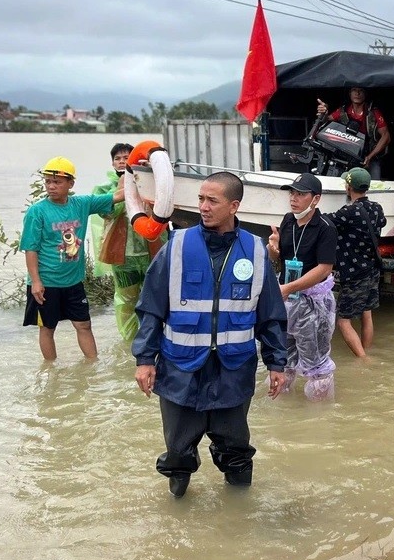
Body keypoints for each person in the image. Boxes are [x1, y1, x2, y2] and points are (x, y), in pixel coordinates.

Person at [132, 172, 287, 498]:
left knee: (236, 450)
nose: (203, 206)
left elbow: (270, 315)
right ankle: (179, 507)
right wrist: (144, 359)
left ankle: (239, 512)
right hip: (180, 371)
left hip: (233, 372)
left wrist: (277, 363)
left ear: (234, 206)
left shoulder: (255, 251)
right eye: (201, 199)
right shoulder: (176, 247)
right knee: (178, 452)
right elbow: (151, 308)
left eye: (212, 200)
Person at [21, 156, 124, 361]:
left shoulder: (81, 204)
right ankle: (51, 371)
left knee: (84, 324)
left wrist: (130, 172)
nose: (51, 186)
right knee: (47, 328)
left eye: (57, 182)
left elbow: (118, 196)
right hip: (46, 282)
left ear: (71, 184)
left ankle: (93, 366)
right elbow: (30, 249)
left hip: (73, 282)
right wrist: (36, 282)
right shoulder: (37, 212)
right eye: (48, 182)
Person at [266, 172, 338, 400]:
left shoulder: (325, 227)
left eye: (300, 194)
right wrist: (272, 250)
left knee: (316, 365)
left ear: (315, 199)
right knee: (283, 358)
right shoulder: (288, 220)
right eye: (292, 193)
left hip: (313, 303)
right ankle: (283, 408)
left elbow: (324, 268)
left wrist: (289, 288)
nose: (293, 198)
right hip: (286, 299)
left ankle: (318, 416)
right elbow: (279, 259)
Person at [91, 143, 166, 342]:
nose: (122, 161)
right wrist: (122, 187)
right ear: (112, 163)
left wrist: (145, 177)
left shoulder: (150, 182)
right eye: (117, 158)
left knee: (155, 296)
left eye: (126, 157)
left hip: (153, 252)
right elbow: (107, 213)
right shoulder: (104, 188)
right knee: (126, 300)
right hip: (123, 256)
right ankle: (130, 342)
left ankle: (154, 338)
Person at [329, 167, 386, 357]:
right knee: (366, 314)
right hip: (373, 270)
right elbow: (383, 222)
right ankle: (366, 352)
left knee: (343, 321)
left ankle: (364, 361)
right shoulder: (377, 208)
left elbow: (326, 221)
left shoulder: (349, 212)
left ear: (348, 187)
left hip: (354, 273)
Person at [315, 87, 391, 178]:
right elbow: (326, 121)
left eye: (361, 90)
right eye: (354, 90)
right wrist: (324, 112)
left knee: (374, 183)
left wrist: (370, 157)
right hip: (348, 156)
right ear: (350, 93)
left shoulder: (373, 112)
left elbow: (386, 136)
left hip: (369, 155)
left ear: (365, 94)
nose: (357, 93)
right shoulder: (344, 110)